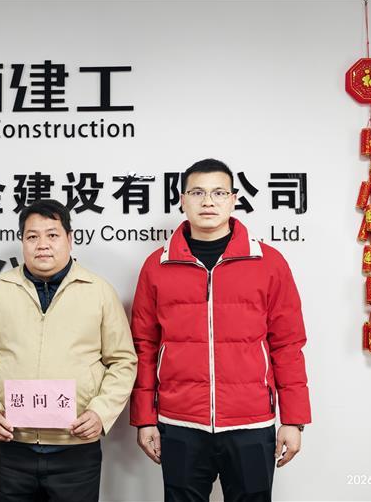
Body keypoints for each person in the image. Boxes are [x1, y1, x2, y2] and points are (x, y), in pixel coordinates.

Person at [130, 159, 311, 501]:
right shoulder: (157, 266)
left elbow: (288, 345)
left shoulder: (268, 263)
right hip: (180, 422)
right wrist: (144, 419)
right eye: (197, 192)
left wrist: (294, 419)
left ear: (233, 199)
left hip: (251, 423)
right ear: (182, 200)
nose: (208, 202)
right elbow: (144, 346)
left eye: (218, 193)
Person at [0, 199, 137, 502]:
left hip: (75, 449)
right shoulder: (0, 288)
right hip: (11, 447)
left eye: (52, 235)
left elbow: (122, 361)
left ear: (70, 239)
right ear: (22, 241)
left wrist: (100, 412)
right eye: (32, 236)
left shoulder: (98, 291)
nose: (42, 245)